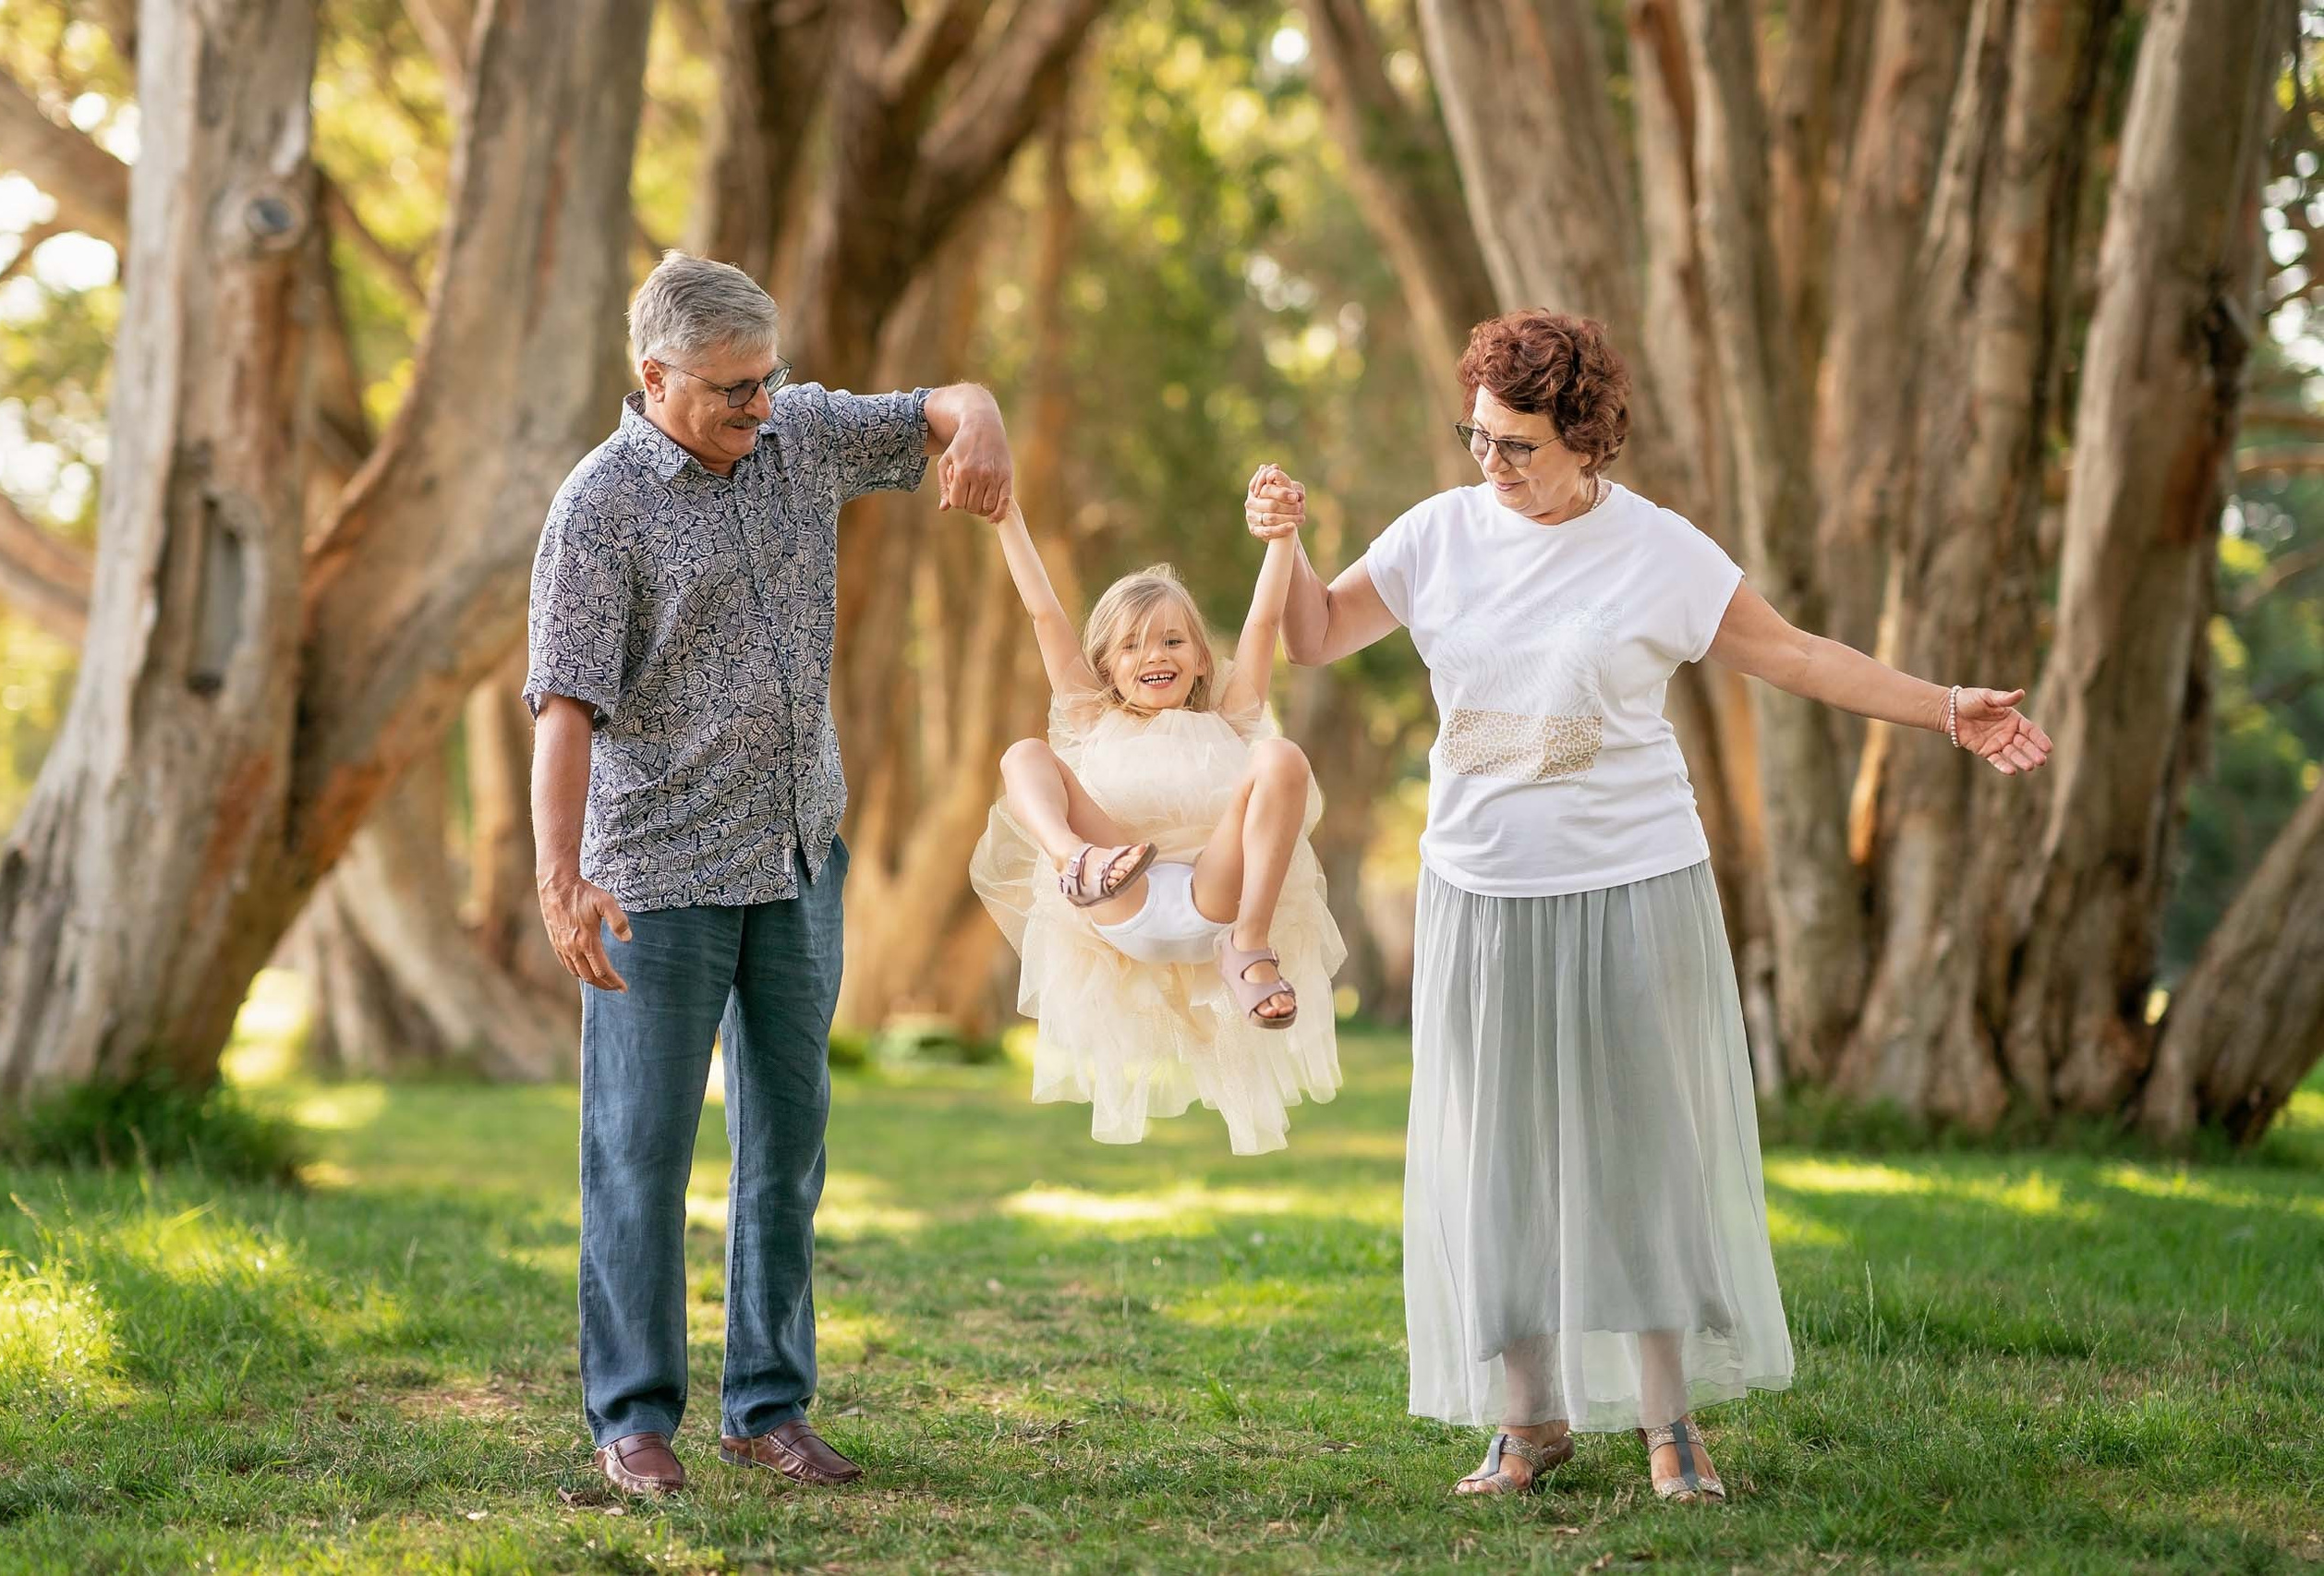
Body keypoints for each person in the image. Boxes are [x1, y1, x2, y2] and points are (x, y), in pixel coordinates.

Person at [1244, 309, 2052, 1502]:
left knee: (1642, 1152)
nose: (1490, 463)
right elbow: (1313, 635)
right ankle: (1528, 1423)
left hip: (1633, 883)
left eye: (1518, 445)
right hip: (1481, 892)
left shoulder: (1658, 551)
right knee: (1498, 1156)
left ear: (1588, 443)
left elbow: (1800, 655)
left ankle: (1672, 1425)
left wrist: (1944, 707)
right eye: (1476, 435)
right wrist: (1283, 541)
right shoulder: (1438, 534)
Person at [525, 251, 1012, 1497]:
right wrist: (558, 878)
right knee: (639, 1152)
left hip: (797, 854)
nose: (759, 406)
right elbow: (563, 707)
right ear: (654, 377)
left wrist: (983, 426)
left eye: (767, 379)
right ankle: (633, 1417)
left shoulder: (798, 434)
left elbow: (936, 405)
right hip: (658, 873)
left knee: (785, 1147)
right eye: (733, 389)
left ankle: (768, 1404)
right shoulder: (600, 506)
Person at [967, 488, 1345, 1155]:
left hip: (1216, 899)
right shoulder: (1089, 716)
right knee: (1025, 755)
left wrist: (1282, 539)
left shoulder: (1228, 717)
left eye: (1173, 640)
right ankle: (1072, 860)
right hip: (1120, 895)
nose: (1155, 655)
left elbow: (1261, 625)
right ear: (1106, 666)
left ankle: (1250, 951)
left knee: (1280, 757)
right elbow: (1043, 612)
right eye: (1134, 646)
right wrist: (1009, 520)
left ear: (1201, 657)